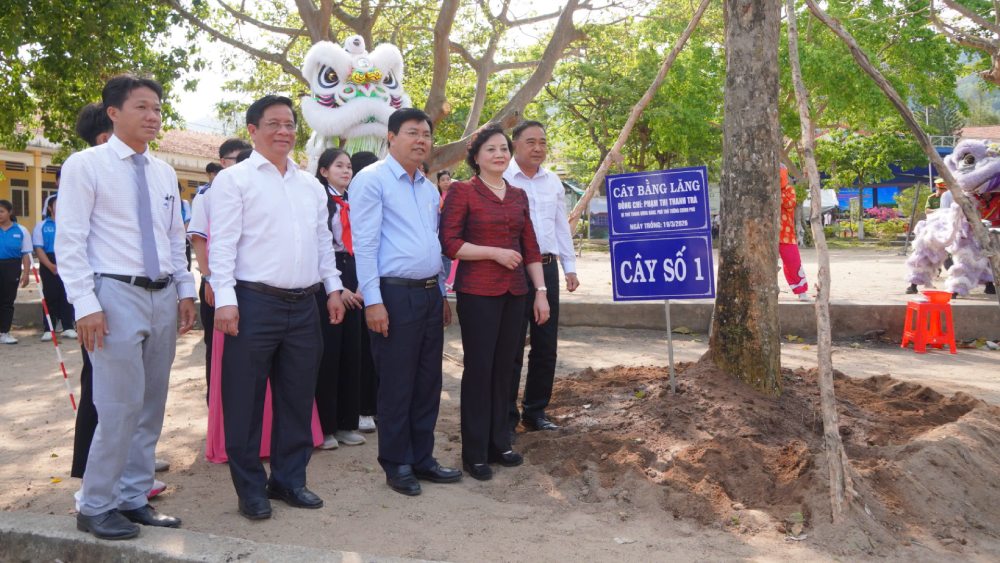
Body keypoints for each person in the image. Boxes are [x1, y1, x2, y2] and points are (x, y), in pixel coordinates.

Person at [57, 74, 196, 540]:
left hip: (161, 294)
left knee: (151, 404)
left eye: (157, 108)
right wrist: (85, 304)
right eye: (142, 107)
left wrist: (185, 289)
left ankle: (134, 497)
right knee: (117, 406)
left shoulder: (163, 172)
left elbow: (174, 237)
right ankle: (96, 503)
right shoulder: (86, 165)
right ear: (114, 113)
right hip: (112, 294)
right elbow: (71, 240)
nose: (153, 116)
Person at [209, 95, 345, 520]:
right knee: (244, 401)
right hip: (253, 304)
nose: (284, 131)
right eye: (274, 124)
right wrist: (225, 300)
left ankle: (289, 479)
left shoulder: (310, 185)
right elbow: (222, 244)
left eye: (290, 124)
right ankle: (250, 489)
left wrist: (333, 288)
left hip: (305, 305)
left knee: (297, 398)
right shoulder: (234, 181)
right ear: (253, 130)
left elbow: (323, 242)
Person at [351, 108, 461, 496]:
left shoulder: (428, 188)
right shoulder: (371, 180)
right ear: (391, 137)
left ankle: (422, 458)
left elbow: (432, 244)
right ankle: (397, 463)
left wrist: (441, 293)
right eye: (412, 133)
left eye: (426, 134)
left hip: (430, 293)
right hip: (393, 295)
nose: (421, 140)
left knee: (428, 381)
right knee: (397, 383)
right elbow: (364, 244)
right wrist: (373, 301)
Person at [440, 125, 549, 481]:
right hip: (478, 294)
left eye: (503, 148)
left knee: (505, 369)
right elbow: (450, 243)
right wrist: (494, 253)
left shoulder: (518, 195)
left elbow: (530, 247)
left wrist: (541, 291)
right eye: (491, 149)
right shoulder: (462, 191)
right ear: (476, 157)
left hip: (516, 293)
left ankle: (499, 442)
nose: (499, 154)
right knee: (479, 370)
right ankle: (474, 453)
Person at [503, 120, 580, 437]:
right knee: (511, 346)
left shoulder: (553, 182)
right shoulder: (502, 177)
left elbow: (561, 224)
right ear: (515, 144)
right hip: (512, 268)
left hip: (546, 268)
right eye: (531, 141)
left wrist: (569, 266)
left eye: (543, 142)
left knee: (546, 344)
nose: (538, 148)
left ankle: (535, 411)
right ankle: (506, 416)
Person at [188, 138, 252, 401]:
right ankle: (216, 402)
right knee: (216, 345)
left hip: (247, 284)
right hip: (217, 281)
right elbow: (199, 240)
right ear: (224, 162)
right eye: (238, 160)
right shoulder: (208, 195)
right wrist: (209, 278)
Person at [314, 148, 366, 449]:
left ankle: (347, 423)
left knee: (352, 352)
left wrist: (361, 284)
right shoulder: (319, 201)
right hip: (328, 274)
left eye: (348, 167)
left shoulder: (355, 201)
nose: (346, 171)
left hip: (354, 270)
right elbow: (317, 247)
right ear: (324, 171)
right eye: (339, 166)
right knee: (329, 354)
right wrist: (337, 288)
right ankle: (325, 426)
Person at [349, 150, 380, 434]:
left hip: (376, 278)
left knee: (375, 350)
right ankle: (361, 408)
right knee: (357, 350)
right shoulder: (334, 202)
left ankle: (373, 405)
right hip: (348, 281)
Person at [33, 195, 77, 340]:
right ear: (50, 208)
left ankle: (68, 327)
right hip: (49, 261)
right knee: (50, 295)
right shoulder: (41, 225)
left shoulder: (71, 225)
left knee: (67, 294)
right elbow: (38, 248)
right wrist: (50, 266)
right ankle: (49, 328)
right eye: (57, 204)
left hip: (68, 261)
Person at [0, 200, 31, 345]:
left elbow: (26, 254)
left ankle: (4, 332)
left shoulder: (21, 230)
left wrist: (26, 273)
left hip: (12, 267)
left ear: (10, 212)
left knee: (7, 300)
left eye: (1, 211)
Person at [778, 165, 811, 302]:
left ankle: (801, 290)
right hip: (767, 236)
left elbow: (789, 203)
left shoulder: (789, 190)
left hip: (786, 235)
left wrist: (776, 195)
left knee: (793, 262)